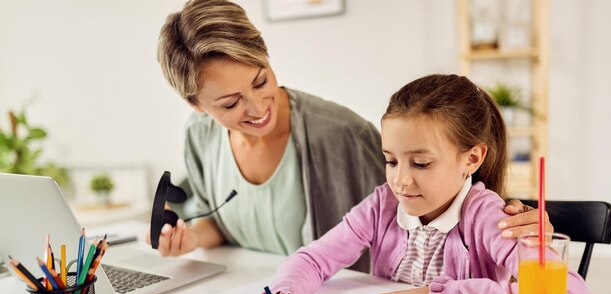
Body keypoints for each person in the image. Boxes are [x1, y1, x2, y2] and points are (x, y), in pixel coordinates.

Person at [151, 0, 546, 271]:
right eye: (231, 103)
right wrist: (191, 238)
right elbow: (222, 222)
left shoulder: (343, 135)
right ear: (197, 105)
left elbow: (432, 212)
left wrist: (504, 223)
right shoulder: (200, 137)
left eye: (260, 81)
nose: (257, 108)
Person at [251, 74, 598, 294]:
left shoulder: (490, 218)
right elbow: (313, 259)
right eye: (390, 160)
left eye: (420, 163)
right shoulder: (382, 205)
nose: (400, 180)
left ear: (472, 158)